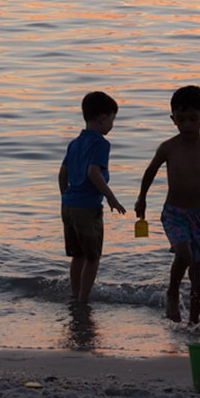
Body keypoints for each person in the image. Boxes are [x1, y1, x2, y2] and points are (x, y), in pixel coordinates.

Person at [134, 85, 200, 325]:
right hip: (174, 213)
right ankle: (172, 292)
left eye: (193, 119)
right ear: (173, 120)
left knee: (199, 275)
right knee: (184, 255)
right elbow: (150, 171)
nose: (187, 125)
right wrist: (142, 198)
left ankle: (194, 323)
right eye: (181, 119)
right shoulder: (169, 146)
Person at [58, 91, 126, 303]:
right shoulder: (101, 144)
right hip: (87, 207)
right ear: (103, 118)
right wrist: (111, 198)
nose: (112, 126)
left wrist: (65, 197)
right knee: (93, 257)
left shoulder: (74, 143)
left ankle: (75, 293)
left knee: (77, 255)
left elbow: (62, 174)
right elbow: (93, 172)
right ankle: (83, 298)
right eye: (112, 120)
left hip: (68, 205)